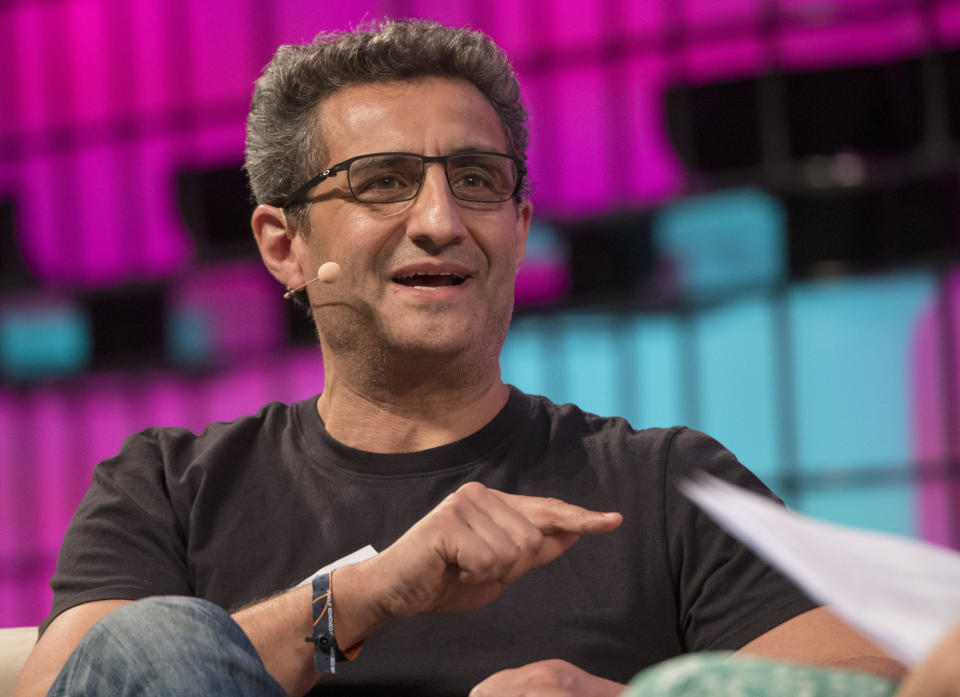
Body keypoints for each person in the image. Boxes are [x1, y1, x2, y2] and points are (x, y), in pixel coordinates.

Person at [15, 19, 902, 697]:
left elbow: (874, 676)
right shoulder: (167, 486)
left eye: (477, 180)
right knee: (153, 641)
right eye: (384, 181)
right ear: (283, 244)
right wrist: (365, 596)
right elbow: (87, 682)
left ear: (517, 228)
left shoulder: (662, 484)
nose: (441, 220)